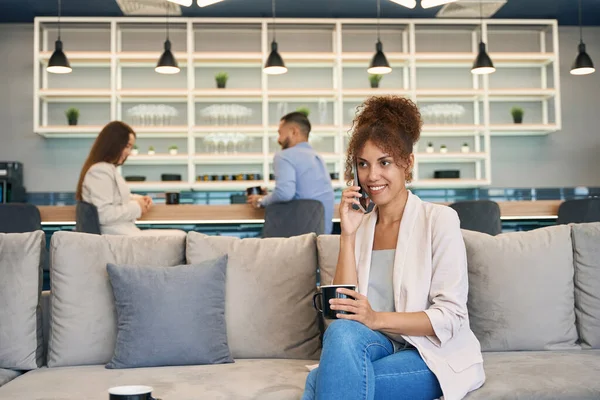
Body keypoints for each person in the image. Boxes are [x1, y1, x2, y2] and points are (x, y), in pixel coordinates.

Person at [302, 96, 485, 400]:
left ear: (407, 163)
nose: (372, 176)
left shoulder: (439, 220)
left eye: (384, 162)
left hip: (429, 353)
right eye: (363, 164)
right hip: (378, 346)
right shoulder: (361, 227)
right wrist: (347, 234)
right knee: (341, 333)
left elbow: (451, 316)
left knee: (319, 383)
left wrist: (376, 318)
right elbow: (340, 317)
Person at [75, 121, 184, 237]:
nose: (129, 152)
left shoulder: (106, 169)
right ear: (113, 144)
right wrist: (137, 207)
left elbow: (116, 197)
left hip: (124, 235)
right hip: (117, 239)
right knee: (180, 237)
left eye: (130, 147)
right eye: (127, 146)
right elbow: (104, 214)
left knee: (180, 236)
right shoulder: (99, 171)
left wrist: (139, 199)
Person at [247, 112, 335, 234]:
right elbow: (303, 193)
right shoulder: (317, 157)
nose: (279, 139)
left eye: (280, 133)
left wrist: (261, 201)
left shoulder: (284, 156)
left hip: (297, 239)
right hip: (322, 236)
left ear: (294, 131)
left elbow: (284, 193)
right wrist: (272, 196)